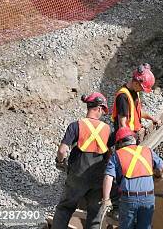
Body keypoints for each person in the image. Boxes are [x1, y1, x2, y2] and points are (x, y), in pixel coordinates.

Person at [52, 93, 114, 229]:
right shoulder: (107, 129)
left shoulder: (76, 125)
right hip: (98, 178)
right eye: (103, 110)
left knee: (65, 208)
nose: (103, 113)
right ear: (98, 108)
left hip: (77, 176)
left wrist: (60, 162)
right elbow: (109, 155)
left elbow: (62, 150)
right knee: (95, 215)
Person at [102, 127, 163, 229]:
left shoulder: (117, 155)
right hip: (148, 197)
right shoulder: (148, 151)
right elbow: (160, 168)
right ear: (134, 139)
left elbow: (108, 177)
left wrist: (106, 199)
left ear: (119, 143)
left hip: (129, 198)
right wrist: (157, 175)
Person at [111, 64, 161, 136]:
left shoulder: (135, 92)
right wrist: (130, 140)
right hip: (127, 138)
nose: (142, 90)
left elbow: (138, 112)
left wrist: (152, 118)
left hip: (134, 134)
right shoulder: (123, 97)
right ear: (136, 83)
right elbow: (122, 124)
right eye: (142, 88)